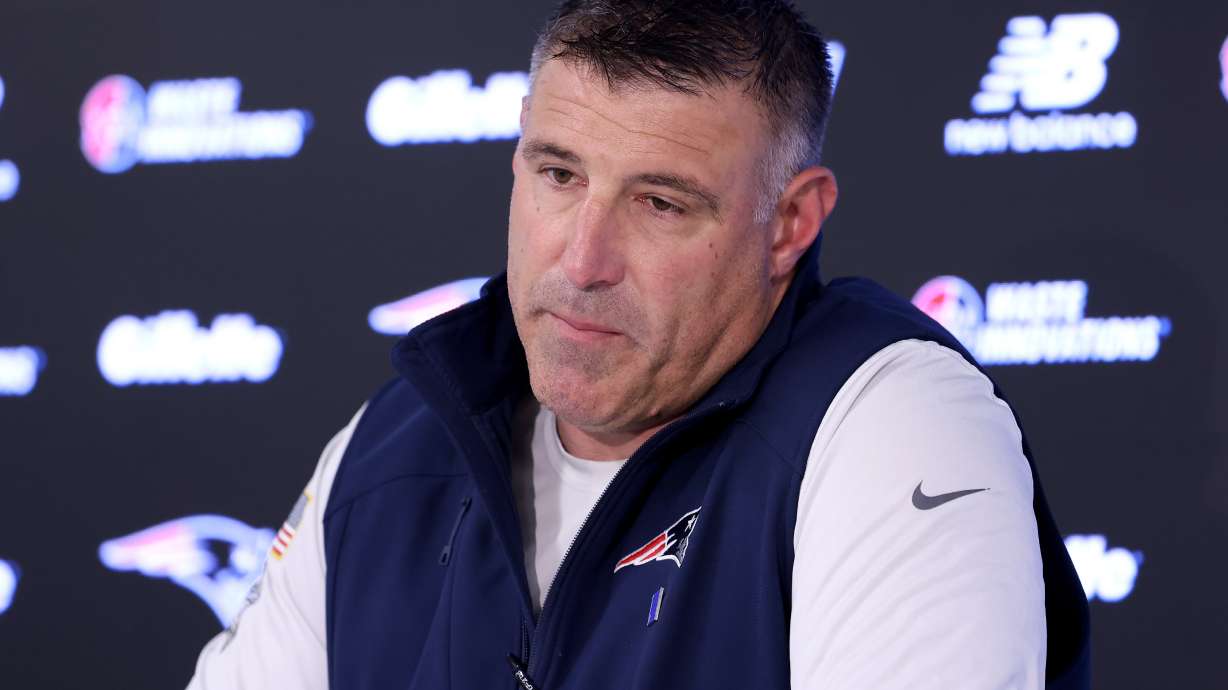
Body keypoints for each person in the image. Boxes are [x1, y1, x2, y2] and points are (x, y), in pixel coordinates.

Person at [187, 1, 1089, 688]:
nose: (582, 261)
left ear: (790, 223)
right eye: (558, 175)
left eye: (660, 203)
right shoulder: (393, 443)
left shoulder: (890, 417)